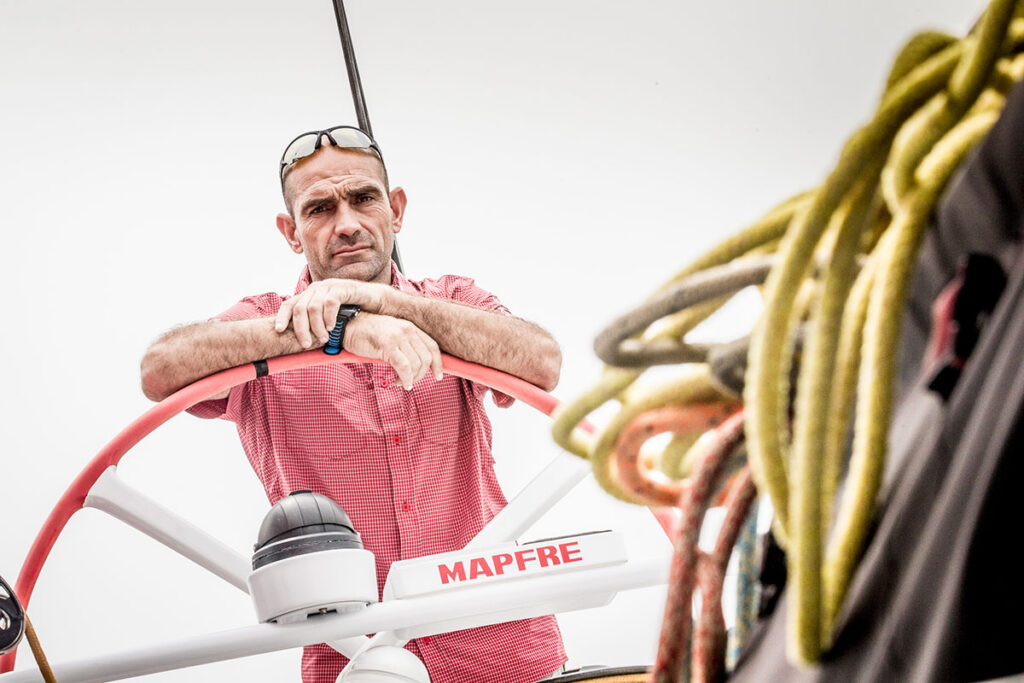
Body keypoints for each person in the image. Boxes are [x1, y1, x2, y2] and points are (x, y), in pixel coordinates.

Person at [139, 126, 567, 683]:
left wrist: (386, 303)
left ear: (396, 210)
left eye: (363, 199)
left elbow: (541, 362)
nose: (346, 224)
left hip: (504, 647)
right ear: (292, 232)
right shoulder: (265, 321)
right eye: (319, 208)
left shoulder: (452, 302)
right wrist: (342, 330)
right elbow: (161, 368)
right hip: (353, 657)